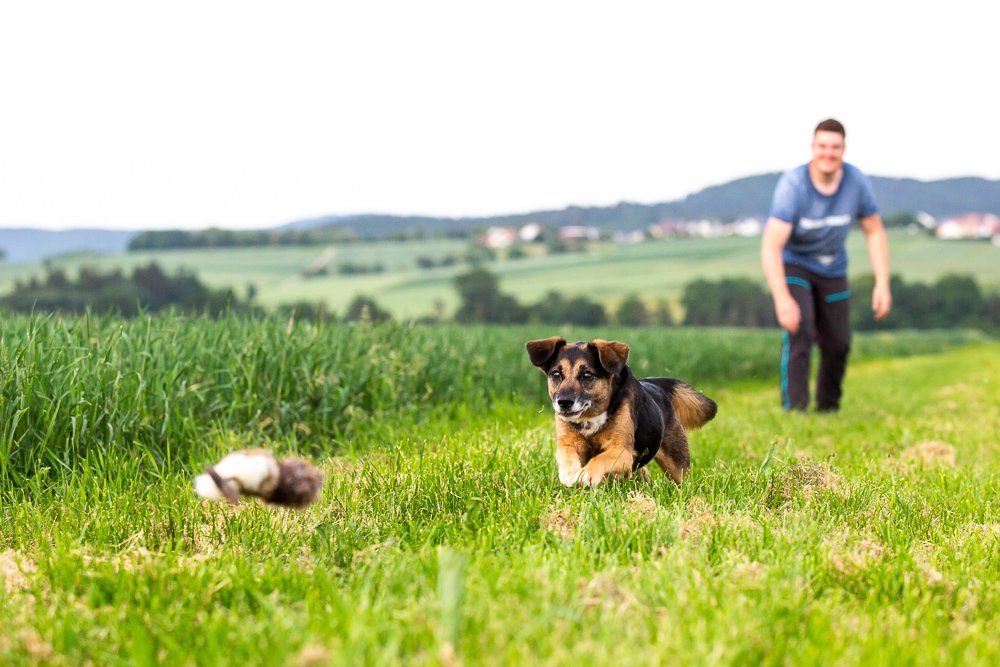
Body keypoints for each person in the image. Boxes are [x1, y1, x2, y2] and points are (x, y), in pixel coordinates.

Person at [760, 119, 891, 412]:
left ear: (843, 149)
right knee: (801, 329)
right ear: (813, 148)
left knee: (839, 342)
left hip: (833, 268)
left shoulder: (856, 182)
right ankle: (795, 409)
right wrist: (782, 299)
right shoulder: (794, 185)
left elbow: (875, 231)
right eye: (822, 146)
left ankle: (828, 409)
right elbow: (771, 245)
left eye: (835, 147)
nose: (828, 153)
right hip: (796, 265)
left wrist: (882, 283)